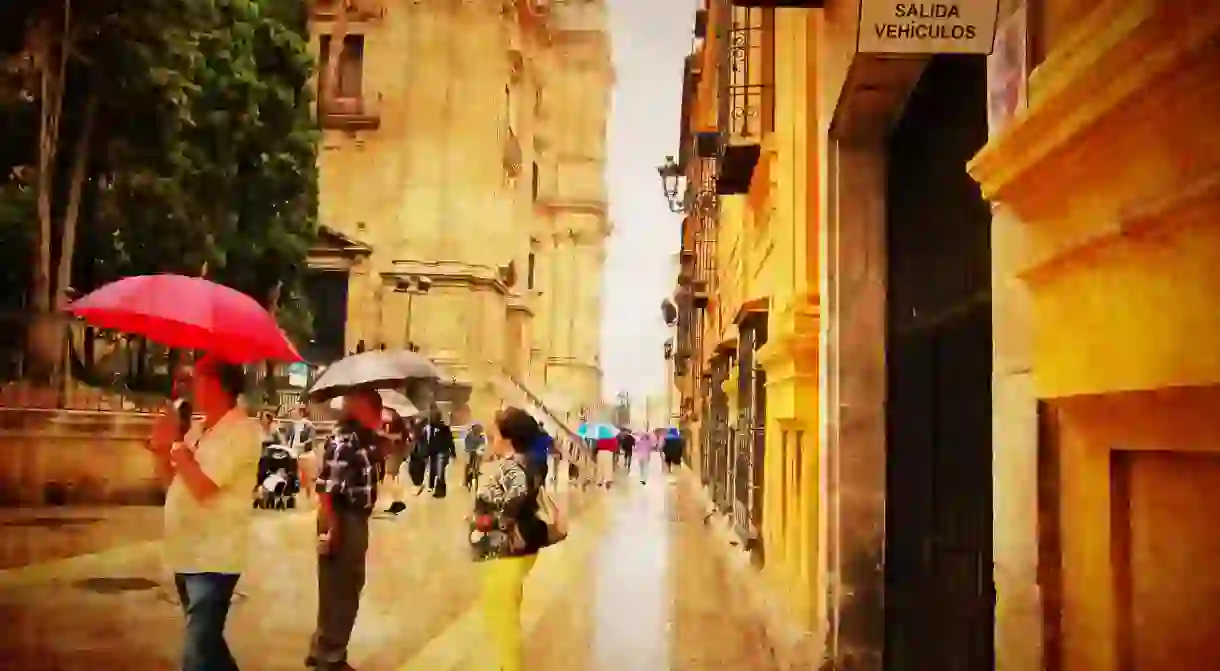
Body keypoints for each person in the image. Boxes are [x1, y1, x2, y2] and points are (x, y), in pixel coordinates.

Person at [148, 356, 262, 671]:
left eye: (197, 379)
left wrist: (179, 449)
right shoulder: (200, 428)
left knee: (196, 654)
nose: (191, 386)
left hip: (215, 558)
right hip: (186, 551)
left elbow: (203, 487)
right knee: (209, 646)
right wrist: (160, 449)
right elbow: (173, 484)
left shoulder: (242, 432)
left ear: (218, 385)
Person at [307, 388, 383, 671]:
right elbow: (328, 492)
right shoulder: (346, 442)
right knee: (342, 589)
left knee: (335, 587)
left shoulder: (357, 441)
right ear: (362, 409)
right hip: (344, 519)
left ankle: (322, 648)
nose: (379, 416)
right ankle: (331, 657)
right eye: (375, 409)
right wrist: (333, 531)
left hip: (349, 518)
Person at [471, 407, 549, 671]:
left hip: (506, 550)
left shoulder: (510, 467)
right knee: (506, 613)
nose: (490, 432)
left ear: (508, 436)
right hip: (517, 548)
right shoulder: (528, 462)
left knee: (502, 620)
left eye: (495, 429)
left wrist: (484, 519)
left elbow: (510, 507)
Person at [288, 406, 320, 505]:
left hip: (306, 454)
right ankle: (295, 498)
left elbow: (311, 440)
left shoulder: (308, 425)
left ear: (301, 413)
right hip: (293, 453)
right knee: (294, 476)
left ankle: (309, 497)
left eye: (294, 411)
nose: (292, 413)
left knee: (308, 478)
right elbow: (288, 438)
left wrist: (303, 446)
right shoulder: (291, 426)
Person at [381, 408, 409, 515]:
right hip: (395, 450)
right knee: (391, 477)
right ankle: (397, 501)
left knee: (389, 477)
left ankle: (398, 502)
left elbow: (398, 436)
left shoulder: (390, 418)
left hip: (394, 451)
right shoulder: (394, 417)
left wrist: (382, 434)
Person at [424, 409, 456, 498]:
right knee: (433, 469)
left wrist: (453, 453)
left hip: (443, 452)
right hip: (432, 452)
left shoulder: (444, 428)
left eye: (435, 417)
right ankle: (432, 486)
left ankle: (441, 491)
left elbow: (450, 441)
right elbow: (426, 441)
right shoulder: (429, 428)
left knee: (440, 472)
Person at [464, 423, 487, 490]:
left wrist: (481, 450)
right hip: (470, 450)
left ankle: (477, 469)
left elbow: (482, 445)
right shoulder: (469, 435)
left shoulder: (481, 437)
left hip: (477, 451)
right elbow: (467, 444)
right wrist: (469, 449)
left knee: (479, 458)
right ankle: (465, 480)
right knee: (468, 463)